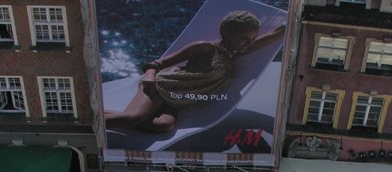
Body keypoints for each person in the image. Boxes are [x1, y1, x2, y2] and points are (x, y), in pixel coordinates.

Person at [106, 10, 284, 133]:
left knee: (164, 126)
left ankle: (107, 113)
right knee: (131, 120)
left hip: (176, 100)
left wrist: (294, 19)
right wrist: (149, 77)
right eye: (245, 38)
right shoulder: (205, 48)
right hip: (161, 87)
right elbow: (157, 63)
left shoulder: (235, 53)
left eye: (252, 38)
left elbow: (275, 34)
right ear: (228, 34)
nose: (250, 43)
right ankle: (91, 122)